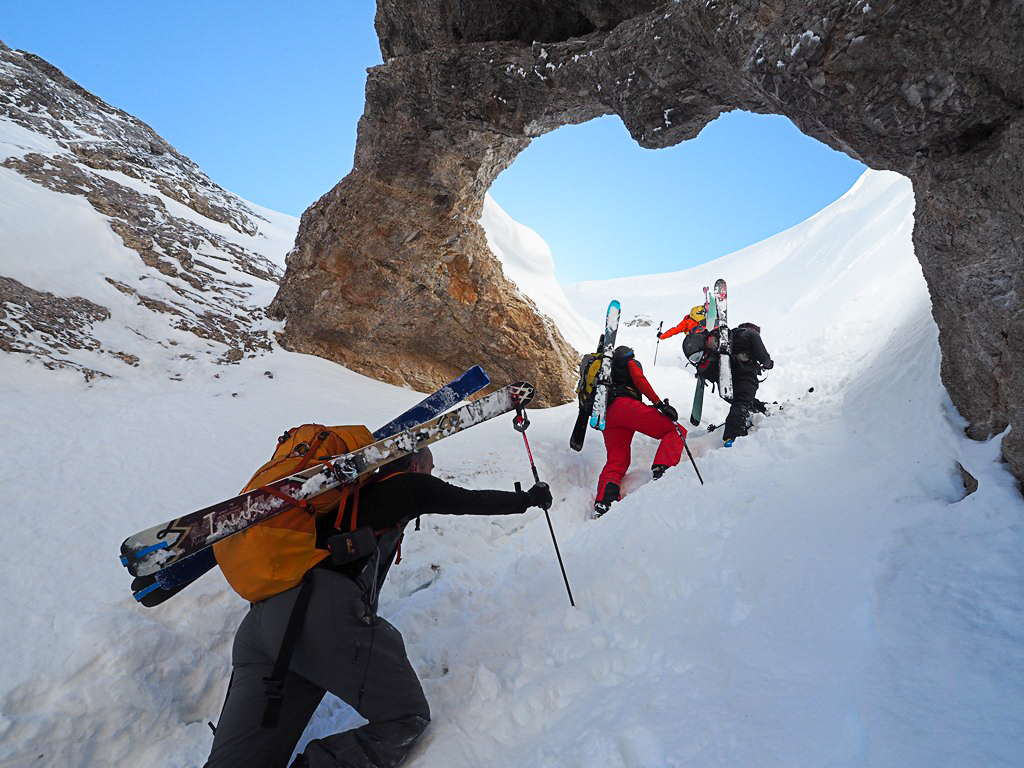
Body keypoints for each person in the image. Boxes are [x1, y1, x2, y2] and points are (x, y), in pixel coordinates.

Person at [205, 447, 553, 768]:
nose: (433, 475)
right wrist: (527, 499)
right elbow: (466, 500)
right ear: (415, 465)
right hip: (319, 612)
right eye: (431, 468)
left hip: (263, 622)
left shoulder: (343, 501)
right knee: (405, 716)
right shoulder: (407, 485)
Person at [594, 346, 685, 517]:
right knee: (675, 430)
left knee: (617, 460)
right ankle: (663, 469)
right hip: (625, 407)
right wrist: (659, 404)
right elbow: (639, 379)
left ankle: (604, 501)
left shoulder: (605, 372)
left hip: (608, 415)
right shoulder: (629, 361)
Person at [722, 322, 774, 446]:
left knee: (742, 399)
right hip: (744, 373)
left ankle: (763, 408)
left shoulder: (730, 336)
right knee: (742, 401)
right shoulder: (751, 333)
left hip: (728, 376)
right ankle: (733, 436)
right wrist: (769, 364)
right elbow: (764, 358)